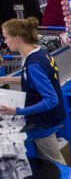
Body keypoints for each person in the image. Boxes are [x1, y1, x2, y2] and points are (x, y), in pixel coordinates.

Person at [0, 18, 66, 164]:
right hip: (49, 118)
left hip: (43, 122)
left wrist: (17, 111)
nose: (5, 41)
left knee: (55, 162)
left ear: (17, 38)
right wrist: (6, 80)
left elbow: (50, 100)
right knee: (49, 160)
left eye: (6, 37)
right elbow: (33, 81)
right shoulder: (39, 53)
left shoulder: (33, 64)